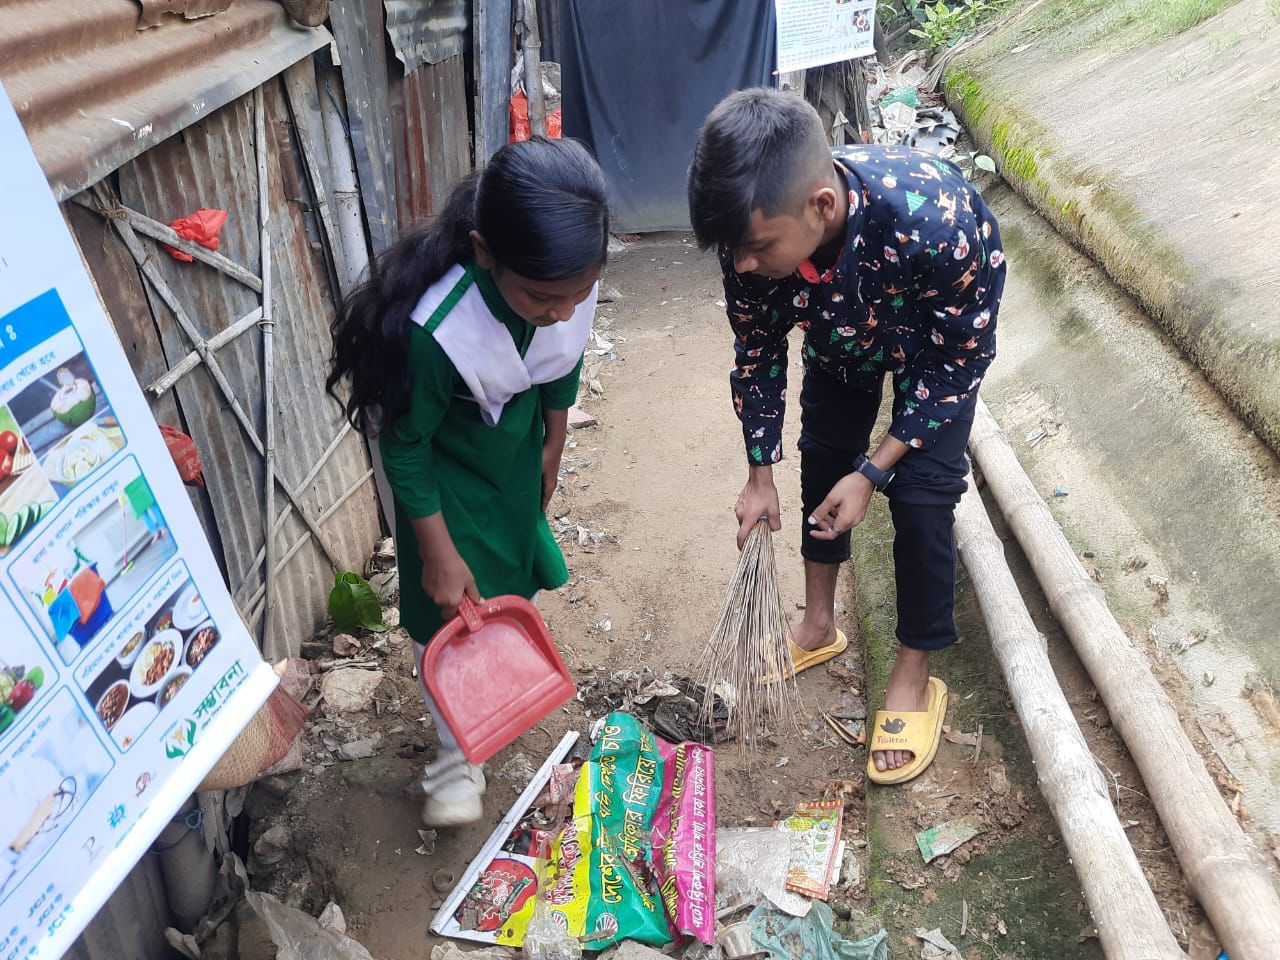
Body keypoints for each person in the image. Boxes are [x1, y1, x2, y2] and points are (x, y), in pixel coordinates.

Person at [687, 88, 1005, 785]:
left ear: (821, 207)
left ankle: (915, 672)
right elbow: (759, 351)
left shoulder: (936, 220)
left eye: (756, 248)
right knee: (824, 457)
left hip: (933, 351)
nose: (742, 267)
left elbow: (962, 358)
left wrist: (879, 468)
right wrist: (758, 474)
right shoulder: (754, 239)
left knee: (923, 499)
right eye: (733, 252)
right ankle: (818, 625)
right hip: (840, 346)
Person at [327, 137, 609, 825]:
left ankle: (494, 690)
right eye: (544, 298)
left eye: (578, 293)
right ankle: (457, 753)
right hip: (448, 479)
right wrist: (436, 550)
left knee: (509, 581)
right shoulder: (438, 331)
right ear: (484, 251)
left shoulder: (567, 287)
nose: (564, 311)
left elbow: (563, 362)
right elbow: (406, 447)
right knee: (451, 604)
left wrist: (553, 441)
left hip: (512, 460)